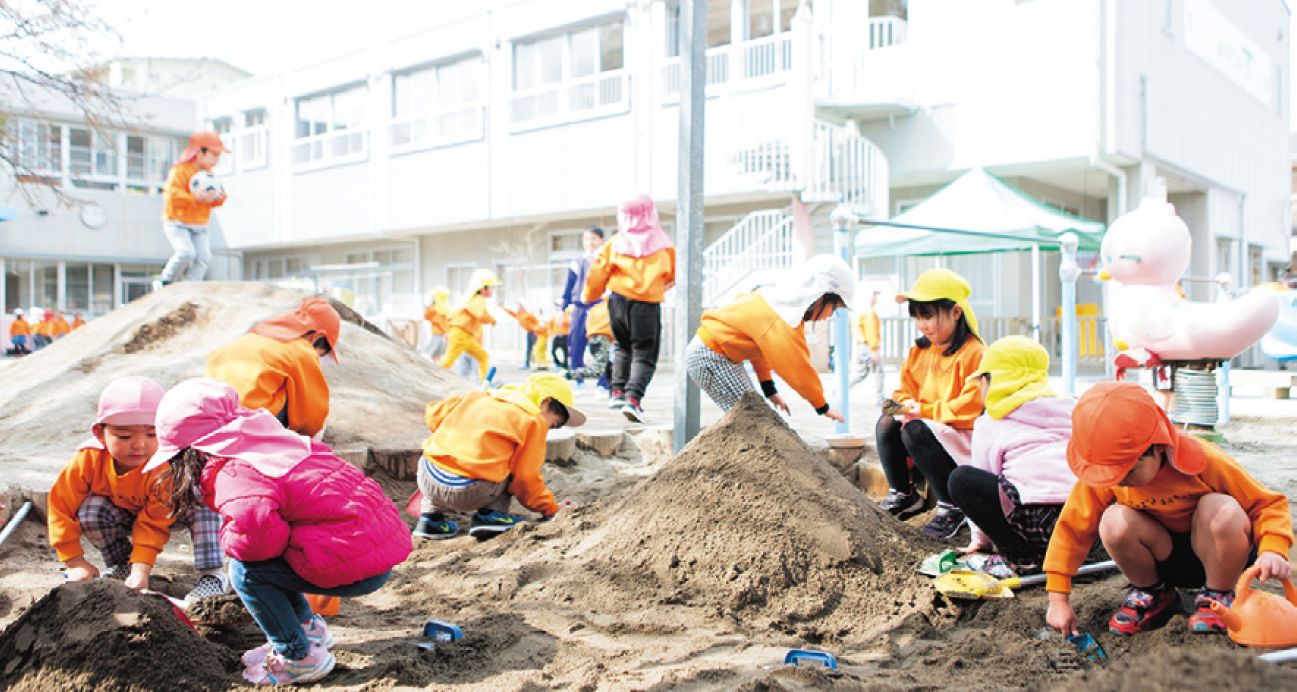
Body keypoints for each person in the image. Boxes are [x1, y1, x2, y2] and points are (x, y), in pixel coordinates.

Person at [143, 378, 411, 685]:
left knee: (246, 573)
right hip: (372, 549)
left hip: (354, 562)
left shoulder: (234, 469)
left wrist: (228, 538)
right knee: (274, 562)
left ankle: (298, 657)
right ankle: (308, 629)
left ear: (195, 452)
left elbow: (257, 539)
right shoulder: (274, 444)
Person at [1044, 382, 1293, 638]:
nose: (1118, 480)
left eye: (1128, 471)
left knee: (1219, 508)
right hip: (1165, 558)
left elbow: (1267, 504)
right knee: (1113, 521)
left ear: (1159, 446)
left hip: (1222, 556)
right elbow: (1072, 530)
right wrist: (1058, 599)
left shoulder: (1205, 461)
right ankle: (1153, 593)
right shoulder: (1107, 477)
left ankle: (1219, 594)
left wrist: (1273, 550)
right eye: (1108, 473)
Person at [46, 376, 227, 605]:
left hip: (174, 511)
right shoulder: (88, 459)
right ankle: (121, 566)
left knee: (201, 498)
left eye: (152, 435)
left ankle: (212, 576)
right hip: (125, 511)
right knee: (91, 510)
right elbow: (60, 507)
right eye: (124, 436)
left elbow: (152, 523)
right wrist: (74, 562)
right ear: (100, 434)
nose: (139, 445)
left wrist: (142, 569)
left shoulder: (166, 466)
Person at [950, 336, 1076, 578]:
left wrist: (982, 540)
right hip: (1085, 521)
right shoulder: (1069, 408)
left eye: (981, 381)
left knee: (961, 480)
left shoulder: (992, 422)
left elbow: (984, 477)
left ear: (992, 381)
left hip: (1037, 521)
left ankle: (1020, 557)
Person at [876, 268, 985, 539]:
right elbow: (904, 390)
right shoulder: (919, 350)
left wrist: (923, 411)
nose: (922, 325)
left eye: (928, 317)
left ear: (956, 312)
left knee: (914, 429)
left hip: (960, 432)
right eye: (917, 318)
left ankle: (952, 506)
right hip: (926, 424)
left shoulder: (974, 351)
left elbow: (971, 405)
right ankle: (903, 493)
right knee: (887, 421)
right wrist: (899, 405)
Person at [412, 373, 585, 540]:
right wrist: (550, 508)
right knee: (512, 464)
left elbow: (433, 415)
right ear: (545, 402)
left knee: (437, 452)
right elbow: (526, 478)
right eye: (554, 424)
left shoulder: (478, 397)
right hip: (470, 492)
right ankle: (492, 515)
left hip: (427, 479)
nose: (549, 430)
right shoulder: (532, 420)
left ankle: (430, 519)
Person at [686, 254, 852, 421]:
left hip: (712, 355)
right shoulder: (785, 319)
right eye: (834, 308)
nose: (829, 315)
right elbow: (798, 369)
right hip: (711, 358)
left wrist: (769, 389)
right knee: (755, 421)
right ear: (819, 296)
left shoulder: (775, 301)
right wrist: (823, 406)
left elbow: (760, 348)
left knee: (755, 420)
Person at [583, 196, 675, 423]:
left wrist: (589, 296)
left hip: (618, 302)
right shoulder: (663, 245)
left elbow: (597, 275)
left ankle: (617, 392)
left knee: (622, 347)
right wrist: (655, 286)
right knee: (644, 353)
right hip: (647, 304)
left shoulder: (614, 243)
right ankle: (633, 399)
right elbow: (672, 276)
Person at [206, 296, 341, 439]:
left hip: (213, 419)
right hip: (249, 425)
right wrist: (312, 433)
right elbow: (312, 415)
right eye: (324, 351)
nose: (319, 356)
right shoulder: (302, 350)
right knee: (298, 391)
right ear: (317, 337)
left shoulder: (250, 338)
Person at [159, 131, 228, 285]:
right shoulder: (180, 171)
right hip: (177, 223)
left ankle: (191, 285)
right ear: (200, 152)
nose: (217, 160)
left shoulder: (210, 176)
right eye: (215, 154)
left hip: (200, 225)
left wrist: (216, 198)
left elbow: (221, 196)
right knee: (186, 252)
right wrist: (195, 199)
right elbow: (172, 194)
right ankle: (165, 280)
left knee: (203, 257)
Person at [439, 269, 501, 383]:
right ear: (483, 288)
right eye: (491, 287)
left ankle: (484, 384)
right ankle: (430, 377)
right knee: (447, 363)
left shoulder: (471, 299)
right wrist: (491, 320)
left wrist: (492, 320)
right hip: (460, 336)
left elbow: (482, 314)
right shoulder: (478, 299)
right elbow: (479, 313)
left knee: (483, 356)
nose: (493, 290)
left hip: (466, 337)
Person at [563, 226, 607, 380]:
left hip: (599, 306)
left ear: (601, 240)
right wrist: (564, 304)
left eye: (594, 238)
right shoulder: (577, 261)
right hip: (580, 306)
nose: (590, 242)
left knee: (600, 345)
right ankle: (577, 379)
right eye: (587, 239)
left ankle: (603, 383)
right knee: (576, 343)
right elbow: (569, 285)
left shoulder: (605, 260)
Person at [566, 297, 613, 393]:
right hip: (604, 339)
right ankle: (568, 374)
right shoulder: (610, 306)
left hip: (593, 338)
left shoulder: (595, 308)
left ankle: (611, 388)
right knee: (599, 369)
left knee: (609, 366)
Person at [851, 290, 886, 404]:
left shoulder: (860, 312)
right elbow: (871, 332)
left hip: (862, 346)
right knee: (878, 371)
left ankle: (840, 390)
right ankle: (880, 398)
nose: (876, 299)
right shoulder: (870, 313)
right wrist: (874, 350)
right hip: (868, 347)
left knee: (861, 373)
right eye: (874, 296)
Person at [503, 303, 545, 370]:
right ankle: (527, 364)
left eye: (520, 306)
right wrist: (505, 309)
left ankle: (541, 364)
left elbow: (536, 321)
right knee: (528, 349)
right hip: (529, 333)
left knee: (536, 348)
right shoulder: (519, 314)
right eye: (518, 306)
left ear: (524, 307)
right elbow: (513, 314)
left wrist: (537, 329)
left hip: (534, 332)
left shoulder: (528, 314)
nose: (518, 307)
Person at [421, 286, 450, 360]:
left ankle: (431, 359)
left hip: (439, 333)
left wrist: (427, 307)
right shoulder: (443, 308)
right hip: (441, 333)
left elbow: (426, 316)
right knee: (437, 348)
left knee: (435, 349)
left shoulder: (436, 308)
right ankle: (430, 358)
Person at [549, 304, 570, 370]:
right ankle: (558, 364)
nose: (558, 307)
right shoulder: (554, 316)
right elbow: (550, 326)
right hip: (556, 336)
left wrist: (562, 320)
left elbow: (569, 323)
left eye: (559, 305)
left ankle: (565, 365)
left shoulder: (566, 314)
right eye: (556, 306)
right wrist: (552, 334)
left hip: (565, 335)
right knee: (553, 351)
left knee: (565, 352)